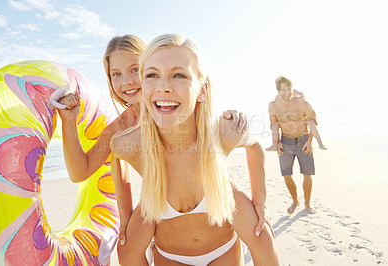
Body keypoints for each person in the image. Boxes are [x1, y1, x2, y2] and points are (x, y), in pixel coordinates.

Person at [56, 35, 252, 251]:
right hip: (165, 205)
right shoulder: (122, 127)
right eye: (116, 74)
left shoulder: (177, 104)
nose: (127, 81)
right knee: (128, 251)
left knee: (259, 238)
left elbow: (211, 121)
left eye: (134, 70)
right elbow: (81, 172)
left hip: (211, 196)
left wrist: (234, 116)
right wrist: (69, 121)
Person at [110, 34, 279, 265]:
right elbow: (117, 160)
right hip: (170, 255)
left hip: (223, 250)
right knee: (126, 249)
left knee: (263, 237)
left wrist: (259, 201)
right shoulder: (131, 144)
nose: (163, 87)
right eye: (152, 75)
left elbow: (254, 145)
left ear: (202, 90)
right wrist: (125, 215)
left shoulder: (220, 133)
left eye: (178, 75)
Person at [268, 76, 320, 214]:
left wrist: (310, 142)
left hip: (303, 140)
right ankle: (295, 201)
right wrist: (277, 142)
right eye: (283, 90)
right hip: (286, 142)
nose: (286, 92)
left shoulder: (302, 103)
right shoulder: (273, 106)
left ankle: (307, 204)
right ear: (278, 91)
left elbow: (314, 122)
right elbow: (274, 125)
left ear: (292, 88)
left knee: (307, 174)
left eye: (288, 89)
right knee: (286, 175)